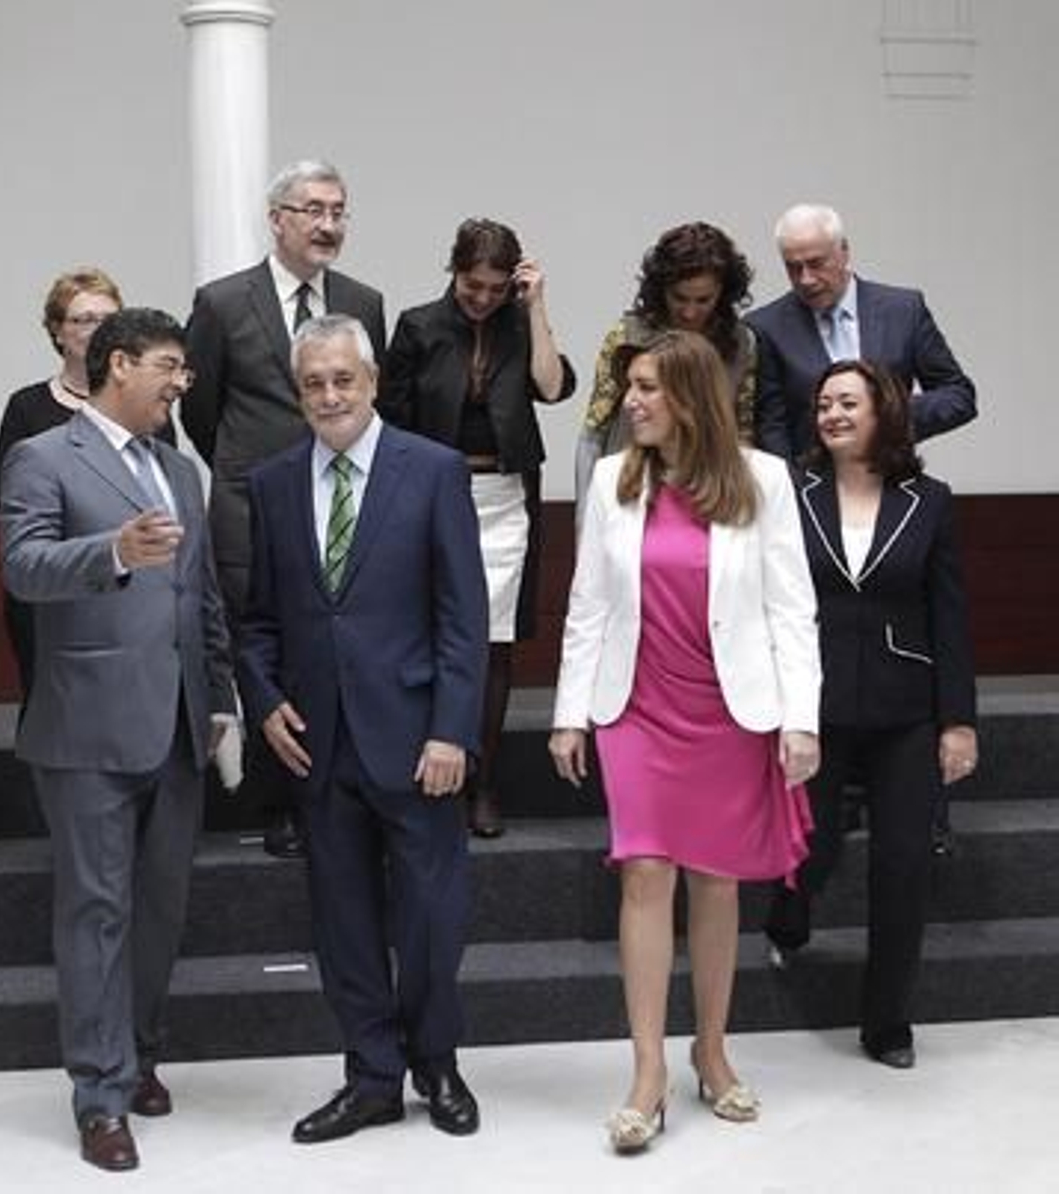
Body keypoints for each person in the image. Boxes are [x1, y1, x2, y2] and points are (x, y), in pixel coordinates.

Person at [548, 329, 821, 1155]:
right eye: (631, 385)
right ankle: (646, 1073)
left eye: (646, 388)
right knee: (643, 872)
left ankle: (711, 1049)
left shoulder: (764, 479)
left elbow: (790, 607)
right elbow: (588, 603)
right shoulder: (610, 479)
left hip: (730, 711)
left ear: (691, 397)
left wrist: (800, 716)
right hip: (635, 706)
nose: (630, 401)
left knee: (715, 882)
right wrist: (568, 712)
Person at [240, 315, 488, 1146]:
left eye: (343, 379)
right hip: (319, 741)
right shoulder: (272, 483)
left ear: (373, 381)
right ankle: (371, 1076)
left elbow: (463, 616)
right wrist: (265, 696)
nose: (330, 396)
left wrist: (453, 729)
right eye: (313, 383)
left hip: (419, 741)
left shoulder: (433, 471)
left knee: (429, 920)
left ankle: (438, 1063)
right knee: (342, 925)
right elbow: (260, 617)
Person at [0, 308, 235, 1174]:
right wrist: (113, 551)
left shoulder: (181, 468)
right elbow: (22, 568)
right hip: (86, 727)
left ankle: (136, 1054)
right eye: (171, 366)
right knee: (96, 910)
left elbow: (201, 594)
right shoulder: (42, 456)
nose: (183, 383)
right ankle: (99, 1094)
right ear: (122, 364)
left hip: (179, 724)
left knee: (160, 908)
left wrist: (223, 699)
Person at [763, 360, 978, 1069]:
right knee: (811, 848)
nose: (832, 415)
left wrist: (959, 720)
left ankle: (888, 1020)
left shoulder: (930, 499)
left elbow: (949, 614)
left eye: (847, 402)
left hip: (905, 708)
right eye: (823, 404)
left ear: (883, 411)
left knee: (905, 863)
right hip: (813, 700)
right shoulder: (793, 492)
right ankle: (789, 914)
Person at [182, 158, 386, 861]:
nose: (328, 224)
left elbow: (366, 405)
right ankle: (281, 801)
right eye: (314, 210)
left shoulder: (364, 300)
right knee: (264, 651)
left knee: (326, 645)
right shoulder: (223, 302)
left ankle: (336, 788)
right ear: (278, 219)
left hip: (342, 505)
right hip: (253, 507)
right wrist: (252, 473)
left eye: (338, 210)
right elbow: (201, 411)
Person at [379, 217, 577, 837]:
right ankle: (435, 766)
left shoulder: (521, 324)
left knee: (493, 643)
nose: (484, 298)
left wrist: (536, 308)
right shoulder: (418, 325)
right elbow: (393, 418)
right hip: (435, 493)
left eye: (497, 287)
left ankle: (483, 782)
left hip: (505, 494)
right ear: (454, 272)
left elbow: (553, 387)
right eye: (473, 286)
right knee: (431, 634)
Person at [0, 267, 172, 696]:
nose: (98, 331)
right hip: (54, 592)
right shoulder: (27, 408)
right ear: (57, 331)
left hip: (133, 588)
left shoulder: (148, 407)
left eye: (108, 320)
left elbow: (164, 495)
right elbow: (16, 507)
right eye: (83, 319)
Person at [749, 203, 976, 460]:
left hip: (893, 478)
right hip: (811, 486)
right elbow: (771, 427)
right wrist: (792, 490)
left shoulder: (902, 310)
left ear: (844, 251)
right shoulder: (766, 327)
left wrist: (888, 416)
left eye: (816, 263)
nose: (806, 279)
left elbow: (958, 396)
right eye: (793, 267)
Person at [576, 221, 756, 505]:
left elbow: (742, 432)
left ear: (723, 294)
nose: (689, 312)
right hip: (631, 487)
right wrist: (585, 519)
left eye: (703, 300)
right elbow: (593, 432)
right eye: (679, 298)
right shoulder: (628, 335)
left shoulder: (742, 344)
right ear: (662, 290)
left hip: (708, 494)